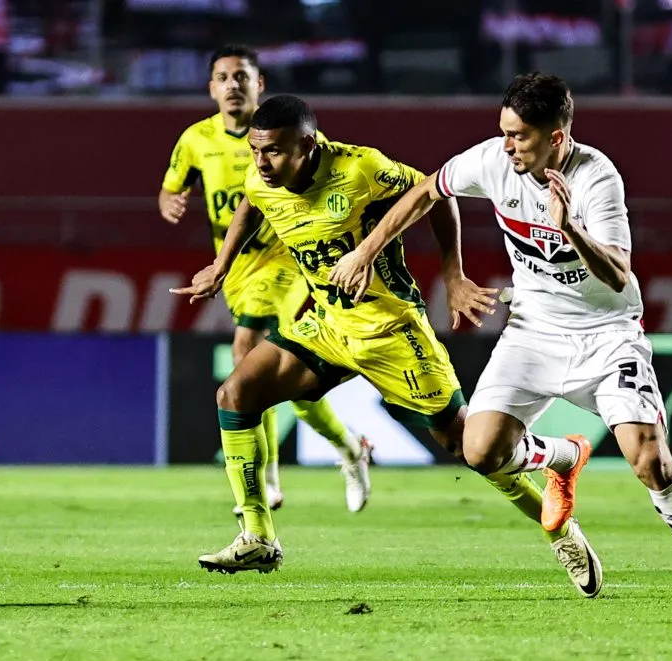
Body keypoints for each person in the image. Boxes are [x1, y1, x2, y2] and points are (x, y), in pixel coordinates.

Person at [330, 72, 672, 605]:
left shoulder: (596, 178)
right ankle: (562, 457)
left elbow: (618, 274)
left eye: (520, 135)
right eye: (503, 131)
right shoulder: (493, 161)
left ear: (557, 138)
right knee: (479, 451)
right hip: (533, 331)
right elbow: (428, 191)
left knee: (650, 461)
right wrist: (384, 258)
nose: (507, 145)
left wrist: (569, 227)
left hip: (606, 335)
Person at [173, 95, 604, 598]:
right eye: (255, 151)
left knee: (470, 448)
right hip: (329, 324)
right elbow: (251, 202)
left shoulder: (362, 169)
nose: (260, 164)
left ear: (308, 145)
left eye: (273, 152)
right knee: (236, 394)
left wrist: (454, 274)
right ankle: (258, 536)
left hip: (392, 332)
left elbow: (435, 194)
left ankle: (560, 520)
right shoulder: (261, 175)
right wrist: (223, 263)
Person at [159, 44, 372, 513]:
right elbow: (170, 188)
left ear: (260, 85)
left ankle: (268, 480)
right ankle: (351, 449)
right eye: (223, 76)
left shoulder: (290, 133)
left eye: (242, 76)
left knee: (246, 350)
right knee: (290, 384)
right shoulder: (196, 139)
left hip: (295, 260)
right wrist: (170, 202)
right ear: (211, 87)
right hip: (239, 270)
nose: (232, 84)